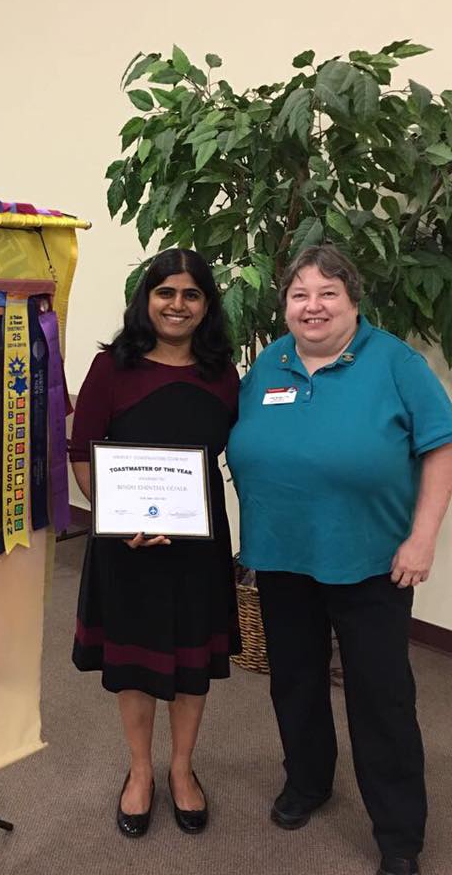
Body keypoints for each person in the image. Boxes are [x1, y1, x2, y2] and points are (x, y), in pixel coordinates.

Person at [226, 244, 452, 875]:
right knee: (294, 681)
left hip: (372, 562)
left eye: (328, 293)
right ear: (285, 307)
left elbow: (441, 446)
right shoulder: (268, 363)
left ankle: (400, 836)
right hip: (281, 557)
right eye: (299, 295)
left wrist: (423, 536)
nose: (313, 306)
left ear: (353, 300)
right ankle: (308, 783)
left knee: (382, 698)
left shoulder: (396, 363)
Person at [69, 247, 241, 837]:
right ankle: (139, 771)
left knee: (191, 663)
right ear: (146, 299)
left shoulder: (222, 372)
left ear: (206, 305)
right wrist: (117, 518)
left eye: (191, 294)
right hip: (130, 545)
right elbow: (81, 453)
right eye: (165, 292)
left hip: (198, 545)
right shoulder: (112, 367)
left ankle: (182, 770)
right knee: (136, 665)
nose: (177, 304)